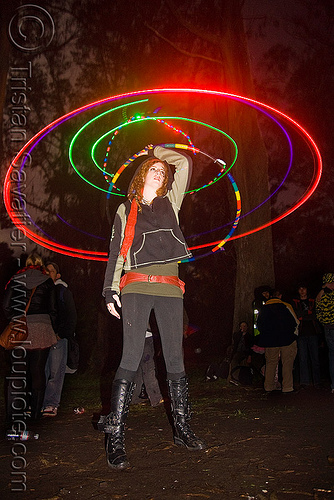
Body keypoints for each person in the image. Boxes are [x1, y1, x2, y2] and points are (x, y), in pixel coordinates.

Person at [100, 145, 206, 469]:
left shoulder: (171, 203)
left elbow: (184, 164)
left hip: (171, 288)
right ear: (142, 175)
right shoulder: (125, 209)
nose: (160, 173)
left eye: (163, 171)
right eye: (154, 169)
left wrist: (158, 150)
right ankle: (114, 436)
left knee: (175, 356)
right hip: (135, 285)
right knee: (131, 356)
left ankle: (183, 429)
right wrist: (109, 290)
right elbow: (117, 251)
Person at [3, 252, 57, 424]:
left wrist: (14, 318)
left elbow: (5, 305)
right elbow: (54, 308)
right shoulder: (47, 281)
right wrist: (52, 326)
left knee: (16, 372)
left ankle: (12, 414)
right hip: (42, 327)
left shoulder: (15, 279)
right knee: (38, 371)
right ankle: (35, 414)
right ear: (41, 264)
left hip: (21, 327)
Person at [42, 262, 77, 417]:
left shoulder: (62, 290)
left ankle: (51, 403)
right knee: (42, 371)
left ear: (57, 275)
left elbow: (70, 315)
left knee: (56, 372)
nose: (48, 273)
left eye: (51, 271)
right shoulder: (42, 291)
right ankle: (40, 403)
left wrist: (61, 334)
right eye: (46, 270)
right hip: (43, 337)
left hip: (58, 338)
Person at [256, 289, 299, 393]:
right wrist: (294, 335)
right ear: (280, 296)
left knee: (270, 363)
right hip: (287, 339)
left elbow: (258, 325)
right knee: (287, 363)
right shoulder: (286, 306)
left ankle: (268, 387)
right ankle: (287, 387)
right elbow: (296, 322)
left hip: (270, 341)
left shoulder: (264, 308)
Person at [292, 284, 321, 388]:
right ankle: (304, 382)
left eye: (304, 288)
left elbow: (315, 315)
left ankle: (317, 381)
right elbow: (297, 315)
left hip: (313, 333)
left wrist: (304, 315)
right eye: (300, 288)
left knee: (315, 358)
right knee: (303, 358)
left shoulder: (313, 301)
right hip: (301, 334)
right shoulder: (295, 302)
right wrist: (306, 314)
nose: (302, 290)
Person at [131, 326, 163, 407]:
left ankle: (133, 397)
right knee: (148, 367)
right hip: (143, 338)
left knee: (140, 369)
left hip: (147, 337)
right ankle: (156, 398)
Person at [316, 273, 334, 393]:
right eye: (331, 283)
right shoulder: (327, 296)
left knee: (332, 355)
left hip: (328, 328)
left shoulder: (320, 296)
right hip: (330, 328)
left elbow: (319, 315)